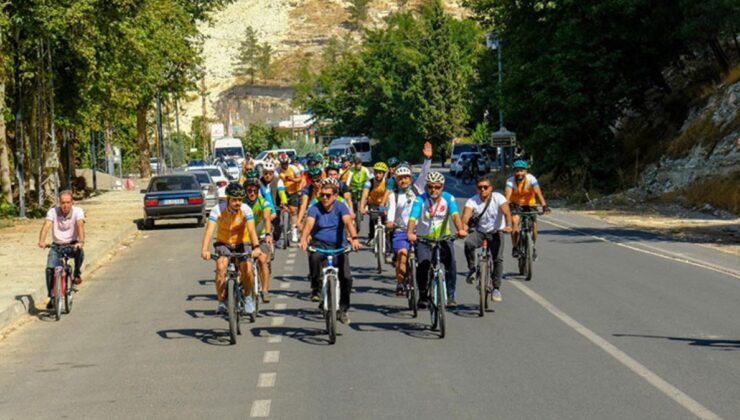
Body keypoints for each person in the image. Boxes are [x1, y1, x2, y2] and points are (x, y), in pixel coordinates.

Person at [299, 178, 361, 324]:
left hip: (338, 246)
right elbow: (308, 224)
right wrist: (303, 238)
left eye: (328, 195)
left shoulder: (341, 207)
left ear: (335, 196)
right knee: (314, 258)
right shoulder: (314, 208)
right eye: (322, 195)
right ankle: (316, 288)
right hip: (320, 244)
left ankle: (343, 309)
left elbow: (348, 222)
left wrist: (355, 238)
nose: (325, 198)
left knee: (346, 277)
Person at [200, 182, 263, 315]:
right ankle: (222, 301)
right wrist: (205, 249)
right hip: (224, 243)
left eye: (240, 200)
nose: (237, 203)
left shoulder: (246, 209)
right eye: (234, 200)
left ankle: (247, 298)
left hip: (242, 243)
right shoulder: (217, 209)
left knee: (247, 268)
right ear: (228, 198)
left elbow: (251, 230)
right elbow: (209, 231)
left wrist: (256, 247)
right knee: (221, 267)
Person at [407, 172, 467, 308]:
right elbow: (412, 218)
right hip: (424, 239)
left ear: (442, 187)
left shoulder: (448, 198)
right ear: (427, 187)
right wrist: (410, 232)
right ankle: (423, 295)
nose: (433, 190)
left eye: (437, 187)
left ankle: (451, 295)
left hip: (443, 238)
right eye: (430, 187)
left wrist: (460, 230)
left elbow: (455, 216)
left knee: (451, 263)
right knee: (423, 265)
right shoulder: (419, 200)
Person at [385, 143, 433, 294]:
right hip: (401, 230)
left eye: (406, 177)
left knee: (426, 261)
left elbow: (425, 173)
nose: (404, 181)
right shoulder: (394, 195)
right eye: (400, 178)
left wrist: (427, 158)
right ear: (396, 180)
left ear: (410, 179)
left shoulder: (417, 188)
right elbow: (391, 211)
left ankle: (425, 287)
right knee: (402, 255)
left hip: (419, 231)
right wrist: (390, 222)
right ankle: (400, 283)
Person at [461, 174, 512, 302]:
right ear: (477, 189)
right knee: (468, 243)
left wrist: (508, 226)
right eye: (480, 187)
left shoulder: (498, 198)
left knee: (498, 259)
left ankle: (496, 288)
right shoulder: (472, 201)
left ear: (491, 188)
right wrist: (464, 227)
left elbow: (506, 213)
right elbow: (466, 216)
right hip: (480, 233)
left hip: (496, 232)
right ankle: (472, 269)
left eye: (485, 187)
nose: (483, 190)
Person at [37, 190, 85, 309]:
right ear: (59, 202)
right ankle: (52, 297)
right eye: (63, 202)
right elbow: (46, 226)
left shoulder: (78, 212)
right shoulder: (53, 212)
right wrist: (42, 241)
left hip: (72, 244)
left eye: (68, 202)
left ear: (72, 202)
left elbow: (80, 225)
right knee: (49, 269)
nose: (65, 205)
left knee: (80, 253)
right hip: (56, 246)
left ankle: (77, 274)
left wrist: (81, 242)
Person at [505, 160, 550, 259]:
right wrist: (506, 207)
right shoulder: (510, 181)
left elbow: (538, 193)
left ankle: (532, 246)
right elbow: (507, 197)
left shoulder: (531, 179)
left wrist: (544, 205)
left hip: (530, 204)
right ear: (514, 172)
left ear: (526, 171)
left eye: (521, 171)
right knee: (514, 221)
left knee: (534, 226)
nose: (519, 173)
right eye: (517, 171)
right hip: (515, 204)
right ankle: (515, 247)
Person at [243, 176, 274, 303]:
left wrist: (267, 234)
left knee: (262, 260)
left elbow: (267, 218)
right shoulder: (242, 203)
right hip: (245, 238)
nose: (252, 193)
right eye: (249, 190)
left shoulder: (263, 203)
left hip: (261, 237)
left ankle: (265, 290)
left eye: (255, 191)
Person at [359, 162, 389, 246]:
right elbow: (364, 194)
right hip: (374, 204)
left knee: (387, 223)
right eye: (376, 172)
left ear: (384, 174)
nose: (378, 175)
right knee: (373, 219)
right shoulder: (369, 182)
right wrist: (362, 207)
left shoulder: (387, 182)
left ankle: (388, 240)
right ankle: (371, 237)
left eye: (380, 173)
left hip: (385, 205)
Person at [260, 161, 288, 248]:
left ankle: (276, 238)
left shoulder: (278, 181)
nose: (268, 175)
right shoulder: (259, 182)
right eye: (265, 173)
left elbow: (281, 192)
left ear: (273, 173)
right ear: (263, 173)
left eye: (270, 173)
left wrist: (283, 200)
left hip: (276, 206)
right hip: (263, 207)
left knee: (277, 227)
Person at [278, 152, 305, 243]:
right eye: (282, 164)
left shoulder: (293, 168)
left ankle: (294, 231)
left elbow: (300, 179)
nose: (284, 165)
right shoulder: (277, 170)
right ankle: (282, 226)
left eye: (285, 163)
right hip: (283, 192)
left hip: (293, 191)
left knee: (294, 211)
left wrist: (293, 179)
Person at [346, 155, 371, 233]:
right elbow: (348, 180)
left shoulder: (365, 170)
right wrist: (347, 186)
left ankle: (364, 207)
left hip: (362, 188)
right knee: (353, 201)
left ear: (361, 164)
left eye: (358, 164)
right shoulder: (351, 170)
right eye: (356, 164)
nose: (357, 165)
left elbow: (370, 177)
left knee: (366, 196)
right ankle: (354, 212)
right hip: (353, 188)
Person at [296, 167, 325, 231]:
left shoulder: (325, 186)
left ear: (321, 178)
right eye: (313, 181)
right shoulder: (307, 188)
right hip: (313, 208)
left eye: (318, 181)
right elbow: (303, 205)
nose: (315, 183)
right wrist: (298, 221)